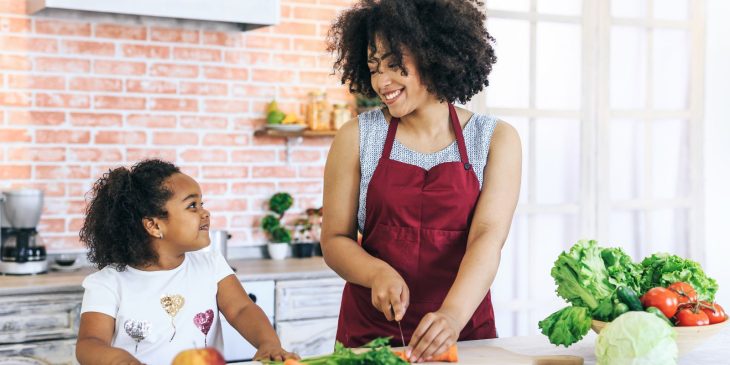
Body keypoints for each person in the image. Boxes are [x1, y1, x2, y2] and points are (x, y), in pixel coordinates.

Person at [321, 0, 521, 362]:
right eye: (374, 67)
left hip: (463, 332)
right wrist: (376, 272)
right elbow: (335, 239)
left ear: (434, 55)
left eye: (395, 65)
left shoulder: (495, 140)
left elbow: (487, 238)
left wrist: (452, 316)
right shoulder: (356, 137)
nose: (382, 82)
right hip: (373, 335)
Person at [75, 159, 297, 365]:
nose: (205, 213)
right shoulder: (108, 283)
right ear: (154, 225)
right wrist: (117, 359)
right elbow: (89, 343)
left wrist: (268, 343)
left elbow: (241, 309)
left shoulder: (210, 263)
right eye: (192, 206)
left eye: (202, 204)